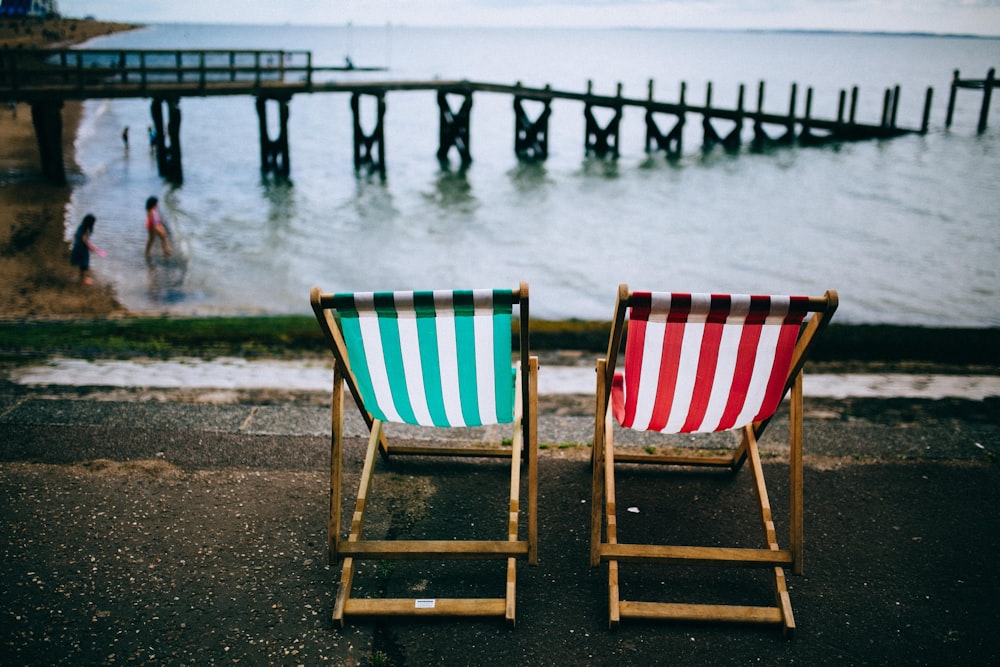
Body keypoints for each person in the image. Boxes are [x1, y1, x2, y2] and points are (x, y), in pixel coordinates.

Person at [70, 213, 105, 285]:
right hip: (82, 249)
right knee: (85, 265)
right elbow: (84, 239)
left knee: (82, 264)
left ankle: (81, 279)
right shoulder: (87, 229)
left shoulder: (80, 227)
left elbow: (76, 236)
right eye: (93, 222)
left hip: (77, 247)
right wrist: (91, 247)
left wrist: (91, 247)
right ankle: (83, 280)